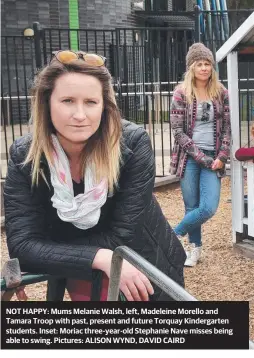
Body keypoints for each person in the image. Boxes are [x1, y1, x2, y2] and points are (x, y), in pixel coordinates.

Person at [3, 50, 185, 301]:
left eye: (91, 102)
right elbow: (22, 246)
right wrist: (100, 256)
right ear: (47, 102)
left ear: (104, 106)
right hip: (86, 271)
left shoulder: (132, 144)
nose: (80, 115)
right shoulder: (25, 156)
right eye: (67, 101)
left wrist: (48, 249)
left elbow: (123, 234)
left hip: (146, 261)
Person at [169, 42, 231, 267]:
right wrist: (202, 158)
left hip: (214, 157)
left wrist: (222, 156)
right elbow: (177, 131)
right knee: (191, 206)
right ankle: (194, 249)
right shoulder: (181, 92)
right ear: (191, 68)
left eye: (207, 64)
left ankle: (173, 234)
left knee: (208, 207)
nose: (204, 68)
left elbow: (227, 128)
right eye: (199, 64)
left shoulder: (221, 92)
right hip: (189, 158)